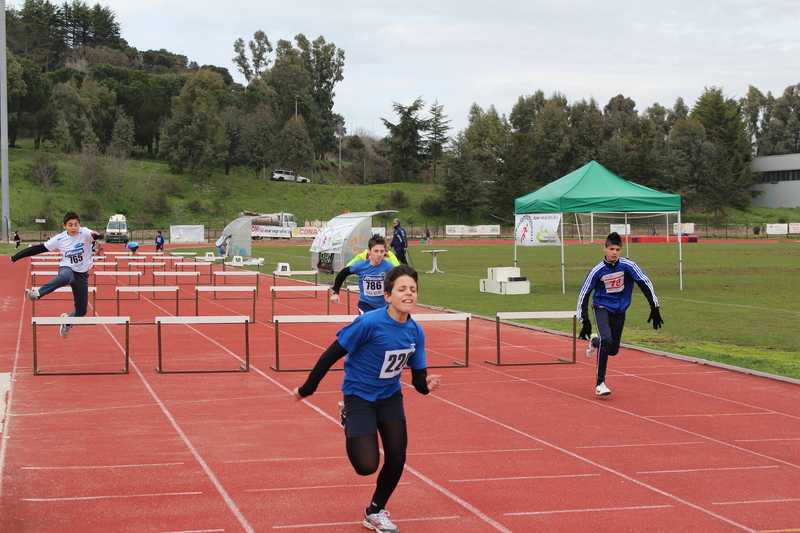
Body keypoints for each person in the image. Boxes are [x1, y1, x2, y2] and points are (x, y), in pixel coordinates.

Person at [292, 265, 441, 533]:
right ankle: (348, 417)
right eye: (402, 289)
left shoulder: (416, 332)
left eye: (413, 289)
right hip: (358, 395)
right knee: (366, 466)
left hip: (390, 396)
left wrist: (426, 384)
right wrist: (307, 388)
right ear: (387, 296)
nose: (409, 293)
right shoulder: (368, 323)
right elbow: (330, 356)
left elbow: (419, 379)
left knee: (397, 456)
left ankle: (375, 511)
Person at [577, 232, 663, 396]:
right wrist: (585, 320)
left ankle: (595, 342)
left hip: (620, 310)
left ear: (621, 250)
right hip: (601, 306)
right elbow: (584, 293)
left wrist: (655, 307)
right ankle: (600, 383)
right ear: (605, 248)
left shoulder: (628, 266)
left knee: (612, 349)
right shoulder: (598, 270)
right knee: (607, 339)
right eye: (611, 249)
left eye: (617, 249)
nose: (614, 252)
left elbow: (644, 282)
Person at [12, 212, 104, 339]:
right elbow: (39, 248)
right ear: (64, 225)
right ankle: (37, 294)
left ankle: (67, 323)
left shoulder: (84, 233)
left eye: (76, 224)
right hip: (67, 268)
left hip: (82, 274)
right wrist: (17, 256)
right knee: (66, 277)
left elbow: (97, 235)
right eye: (70, 225)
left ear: (80, 224)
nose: (73, 228)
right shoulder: (59, 238)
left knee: (82, 311)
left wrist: (98, 235)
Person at [331, 235, 395, 314]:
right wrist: (335, 292)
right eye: (376, 251)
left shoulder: (389, 267)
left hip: (384, 306)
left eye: (382, 251)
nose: (379, 254)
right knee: (368, 324)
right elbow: (343, 273)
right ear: (369, 250)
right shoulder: (360, 266)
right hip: (366, 304)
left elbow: (400, 280)